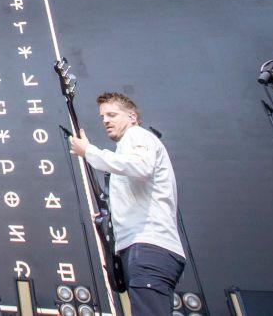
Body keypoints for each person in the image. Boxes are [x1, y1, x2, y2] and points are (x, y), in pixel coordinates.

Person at [68, 93, 185, 316]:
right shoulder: (126, 147)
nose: (106, 121)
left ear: (132, 116)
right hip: (144, 249)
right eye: (103, 117)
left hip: (149, 247)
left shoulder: (137, 135)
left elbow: (141, 166)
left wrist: (90, 152)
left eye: (112, 114)